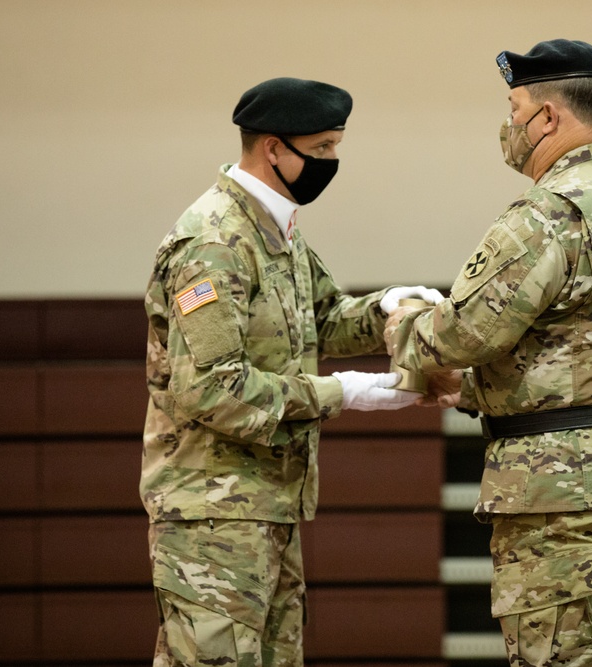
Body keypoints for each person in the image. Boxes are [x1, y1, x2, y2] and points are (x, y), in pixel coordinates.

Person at [384, 39, 592, 667]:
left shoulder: (549, 211)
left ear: (547, 117)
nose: (507, 125)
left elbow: (461, 334)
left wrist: (401, 321)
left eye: (514, 106)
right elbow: (582, 358)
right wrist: (467, 390)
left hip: (560, 488)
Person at [142, 77, 443, 666]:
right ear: (274, 148)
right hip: (212, 513)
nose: (332, 162)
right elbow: (211, 388)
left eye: (336, 147)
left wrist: (385, 306)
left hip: (267, 503)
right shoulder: (215, 239)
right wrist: (345, 393)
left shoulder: (273, 229)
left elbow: (323, 320)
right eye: (322, 148)